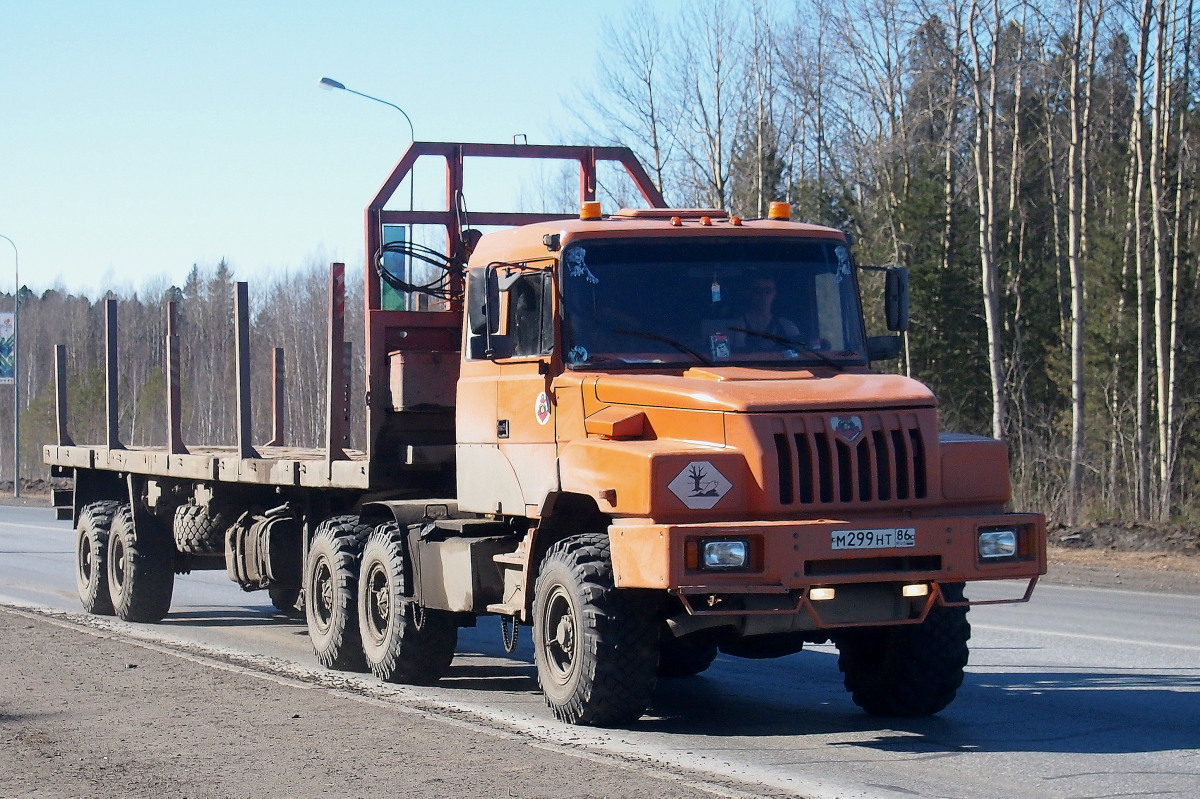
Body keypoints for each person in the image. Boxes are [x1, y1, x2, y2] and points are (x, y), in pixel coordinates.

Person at [731, 275, 800, 351]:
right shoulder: (739, 325)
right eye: (758, 291)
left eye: (768, 291)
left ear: (774, 294)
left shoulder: (786, 326)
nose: (763, 295)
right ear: (749, 294)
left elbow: (798, 352)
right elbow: (739, 355)